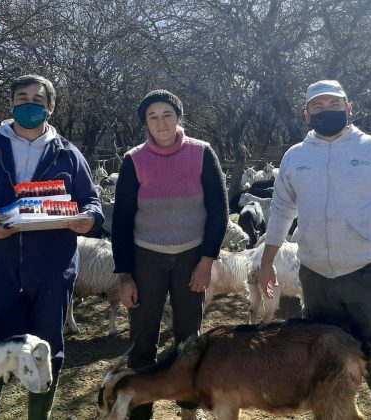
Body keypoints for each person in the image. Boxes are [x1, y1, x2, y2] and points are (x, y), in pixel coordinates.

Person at [256, 80, 371, 420]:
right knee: (324, 367)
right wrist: (266, 261)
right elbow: (280, 212)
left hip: (367, 275)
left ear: (349, 108)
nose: (326, 112)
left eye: (333, 105)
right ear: (307, 114)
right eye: (317, 107)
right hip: (317, 279)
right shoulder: (295, 157)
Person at [0, 74, 104, 420]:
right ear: (12, 103)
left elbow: (92, 202)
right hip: (1, 270)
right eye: (22, 98)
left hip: (53, 271)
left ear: (51, 106)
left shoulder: (68, 154)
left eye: (38, 99)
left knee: (48, 352)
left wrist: (89, 219)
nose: (30, 105)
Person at [111, 89, 228, 420]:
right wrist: (125, 276)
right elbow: (121, 221)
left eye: (167, 115)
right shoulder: (134, 160)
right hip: (146, 257)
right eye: (152, 117)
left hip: (192, 258)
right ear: (145, 124)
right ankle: (140, 411)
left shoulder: (202, 154)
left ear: (179, 118)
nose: (160, 122)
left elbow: (219, 212)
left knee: (189, 339)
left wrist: (207, 262)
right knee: (143, 338)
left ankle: (189, 410)